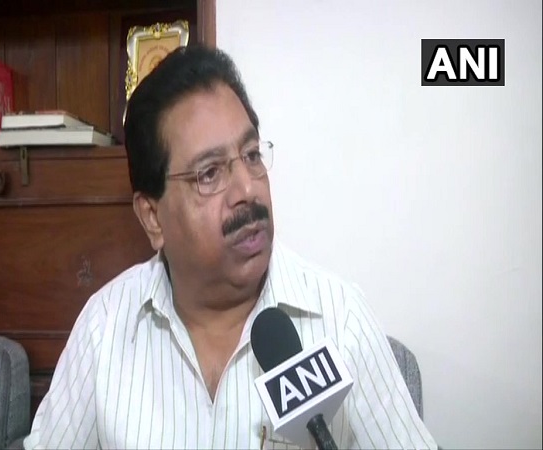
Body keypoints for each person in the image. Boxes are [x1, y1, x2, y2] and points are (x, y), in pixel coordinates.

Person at [24, 45, 437, 450]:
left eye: (252, 155)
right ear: (152, 217)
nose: (248, 190)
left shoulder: (341, 319)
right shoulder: (104, 327)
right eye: (209, 174)